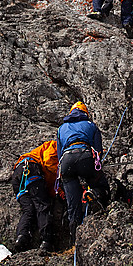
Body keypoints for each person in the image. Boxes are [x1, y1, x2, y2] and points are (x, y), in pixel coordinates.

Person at [56, 102, 110, 243]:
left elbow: (59, 153)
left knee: (72, 203)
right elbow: (98, 150)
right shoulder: (91, 125)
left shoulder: (61, 128)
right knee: (101, 184)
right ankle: (95, 193)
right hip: (84, 155)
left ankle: (74, 240)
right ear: (85, 113)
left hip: (66, 160)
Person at [11, 139, 59, 254]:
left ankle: (22, 237)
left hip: (18, 173)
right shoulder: (55, 145)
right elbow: (48, 160)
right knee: (42, 205)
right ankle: (46, 241)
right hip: (31, 169)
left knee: (28, 209)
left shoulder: (40, 150)